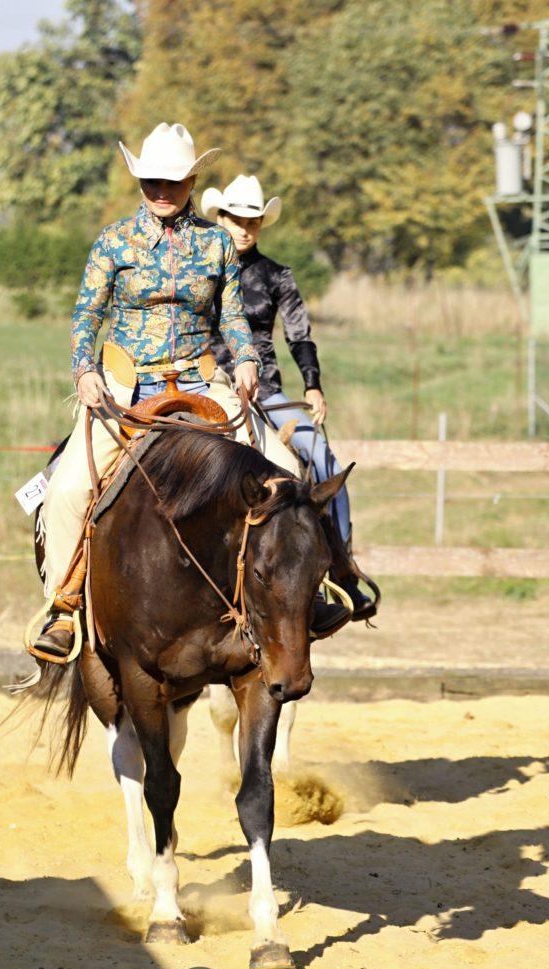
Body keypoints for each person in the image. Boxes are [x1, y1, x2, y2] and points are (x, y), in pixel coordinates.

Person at [34, 125, 347, 659]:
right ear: (140, 181)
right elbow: (86, 314)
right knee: (66, 491)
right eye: (152, 181)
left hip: (203, 380)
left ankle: (307, 593)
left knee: (287, 473)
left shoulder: (216, 243)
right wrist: (84, 371)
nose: (162, 191)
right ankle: (62, 608)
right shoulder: (113, 241)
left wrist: (245, 359)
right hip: (125, 385)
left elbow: (232, 315)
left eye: (174, 181)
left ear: (192, 182)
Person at [201, 175, 379, 620]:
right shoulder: (196, 268)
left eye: (253, 222)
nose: (245, 229)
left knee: (322, 459)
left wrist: (312, 384)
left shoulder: (276, 275)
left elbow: (299, 336)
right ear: (220, 219)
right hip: (204, 387)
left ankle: (342, 572)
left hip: (266, 392)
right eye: (236, 220)